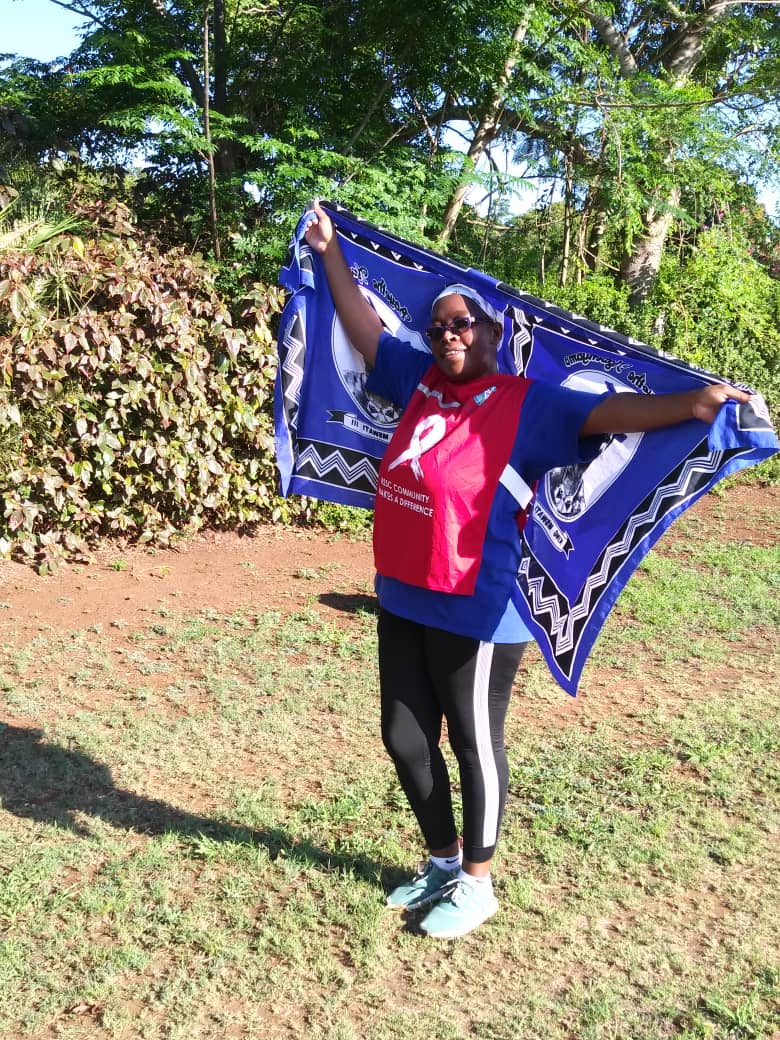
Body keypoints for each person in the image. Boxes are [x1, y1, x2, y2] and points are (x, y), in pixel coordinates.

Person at [302, 200, 750, 940]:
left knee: (474, 740)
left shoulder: (525, 406)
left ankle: (478, 885)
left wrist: (693, 405)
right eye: (441, 323)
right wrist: (328, 255)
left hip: (479, 605)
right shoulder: (419, 380)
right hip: (406, 591)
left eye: (464, 323)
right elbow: (364, 329)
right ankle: (442, 863)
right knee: (403, 736)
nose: (449, 333)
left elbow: (616, 416)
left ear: (492, 333)